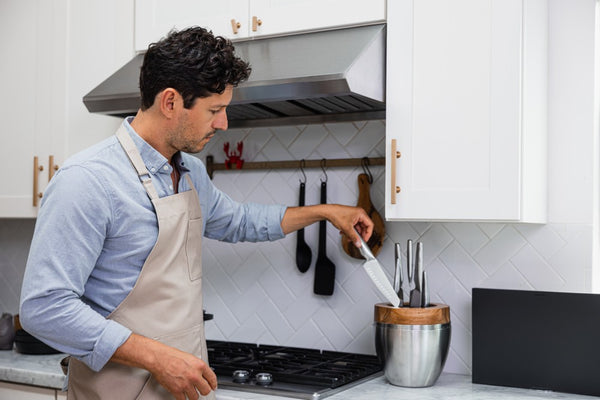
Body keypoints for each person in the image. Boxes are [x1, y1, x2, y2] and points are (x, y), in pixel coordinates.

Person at [19, 26, 373, 400]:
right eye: (215, 110)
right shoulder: (88, 181)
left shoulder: (190, 172)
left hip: (184, 388)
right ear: (170, 102)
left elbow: (239, 221)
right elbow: (44, 307)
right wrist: (157, 357)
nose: (223, 124)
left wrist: (326, 211)